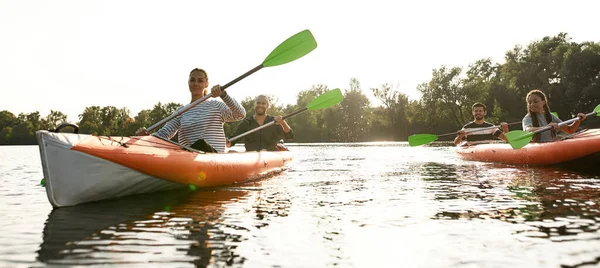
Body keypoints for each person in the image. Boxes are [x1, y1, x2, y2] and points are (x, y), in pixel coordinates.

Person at [136, 68, 246, 153]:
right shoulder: (181, 111)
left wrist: (224, 95)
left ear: (206, 84)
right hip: (188, 158)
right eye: (192, 80)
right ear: (188, 83)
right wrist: (147, 137)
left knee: (201, 144)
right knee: (183, 148)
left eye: (200, 81)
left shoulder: (216, 106)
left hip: (213, 157)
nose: (196, 84)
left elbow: (240, 114)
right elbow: (164, 133)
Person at [227, 95, 294, 151]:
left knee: (264, 152)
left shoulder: (274, 122)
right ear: (254, 104)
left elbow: (290, 136)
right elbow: (232, 140)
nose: (260, 105)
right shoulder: (246, 123)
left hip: (270, 156)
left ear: (267, 106)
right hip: (251, 156)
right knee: (231, 151)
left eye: (263, 103)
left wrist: (283, 123)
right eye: (258, 103)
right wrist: (227, 142)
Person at [522, 89, 586, 142]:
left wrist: (578, 120)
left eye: (535, 101)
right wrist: (547, 127)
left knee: (559, 137)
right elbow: (528, 130)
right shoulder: (527, 118)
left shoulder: (550, 116)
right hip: (539, 148)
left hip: (553, 144)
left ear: (543, 102)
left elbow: (570, 130)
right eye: (529, 102)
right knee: (558, 137)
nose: (532, 104)